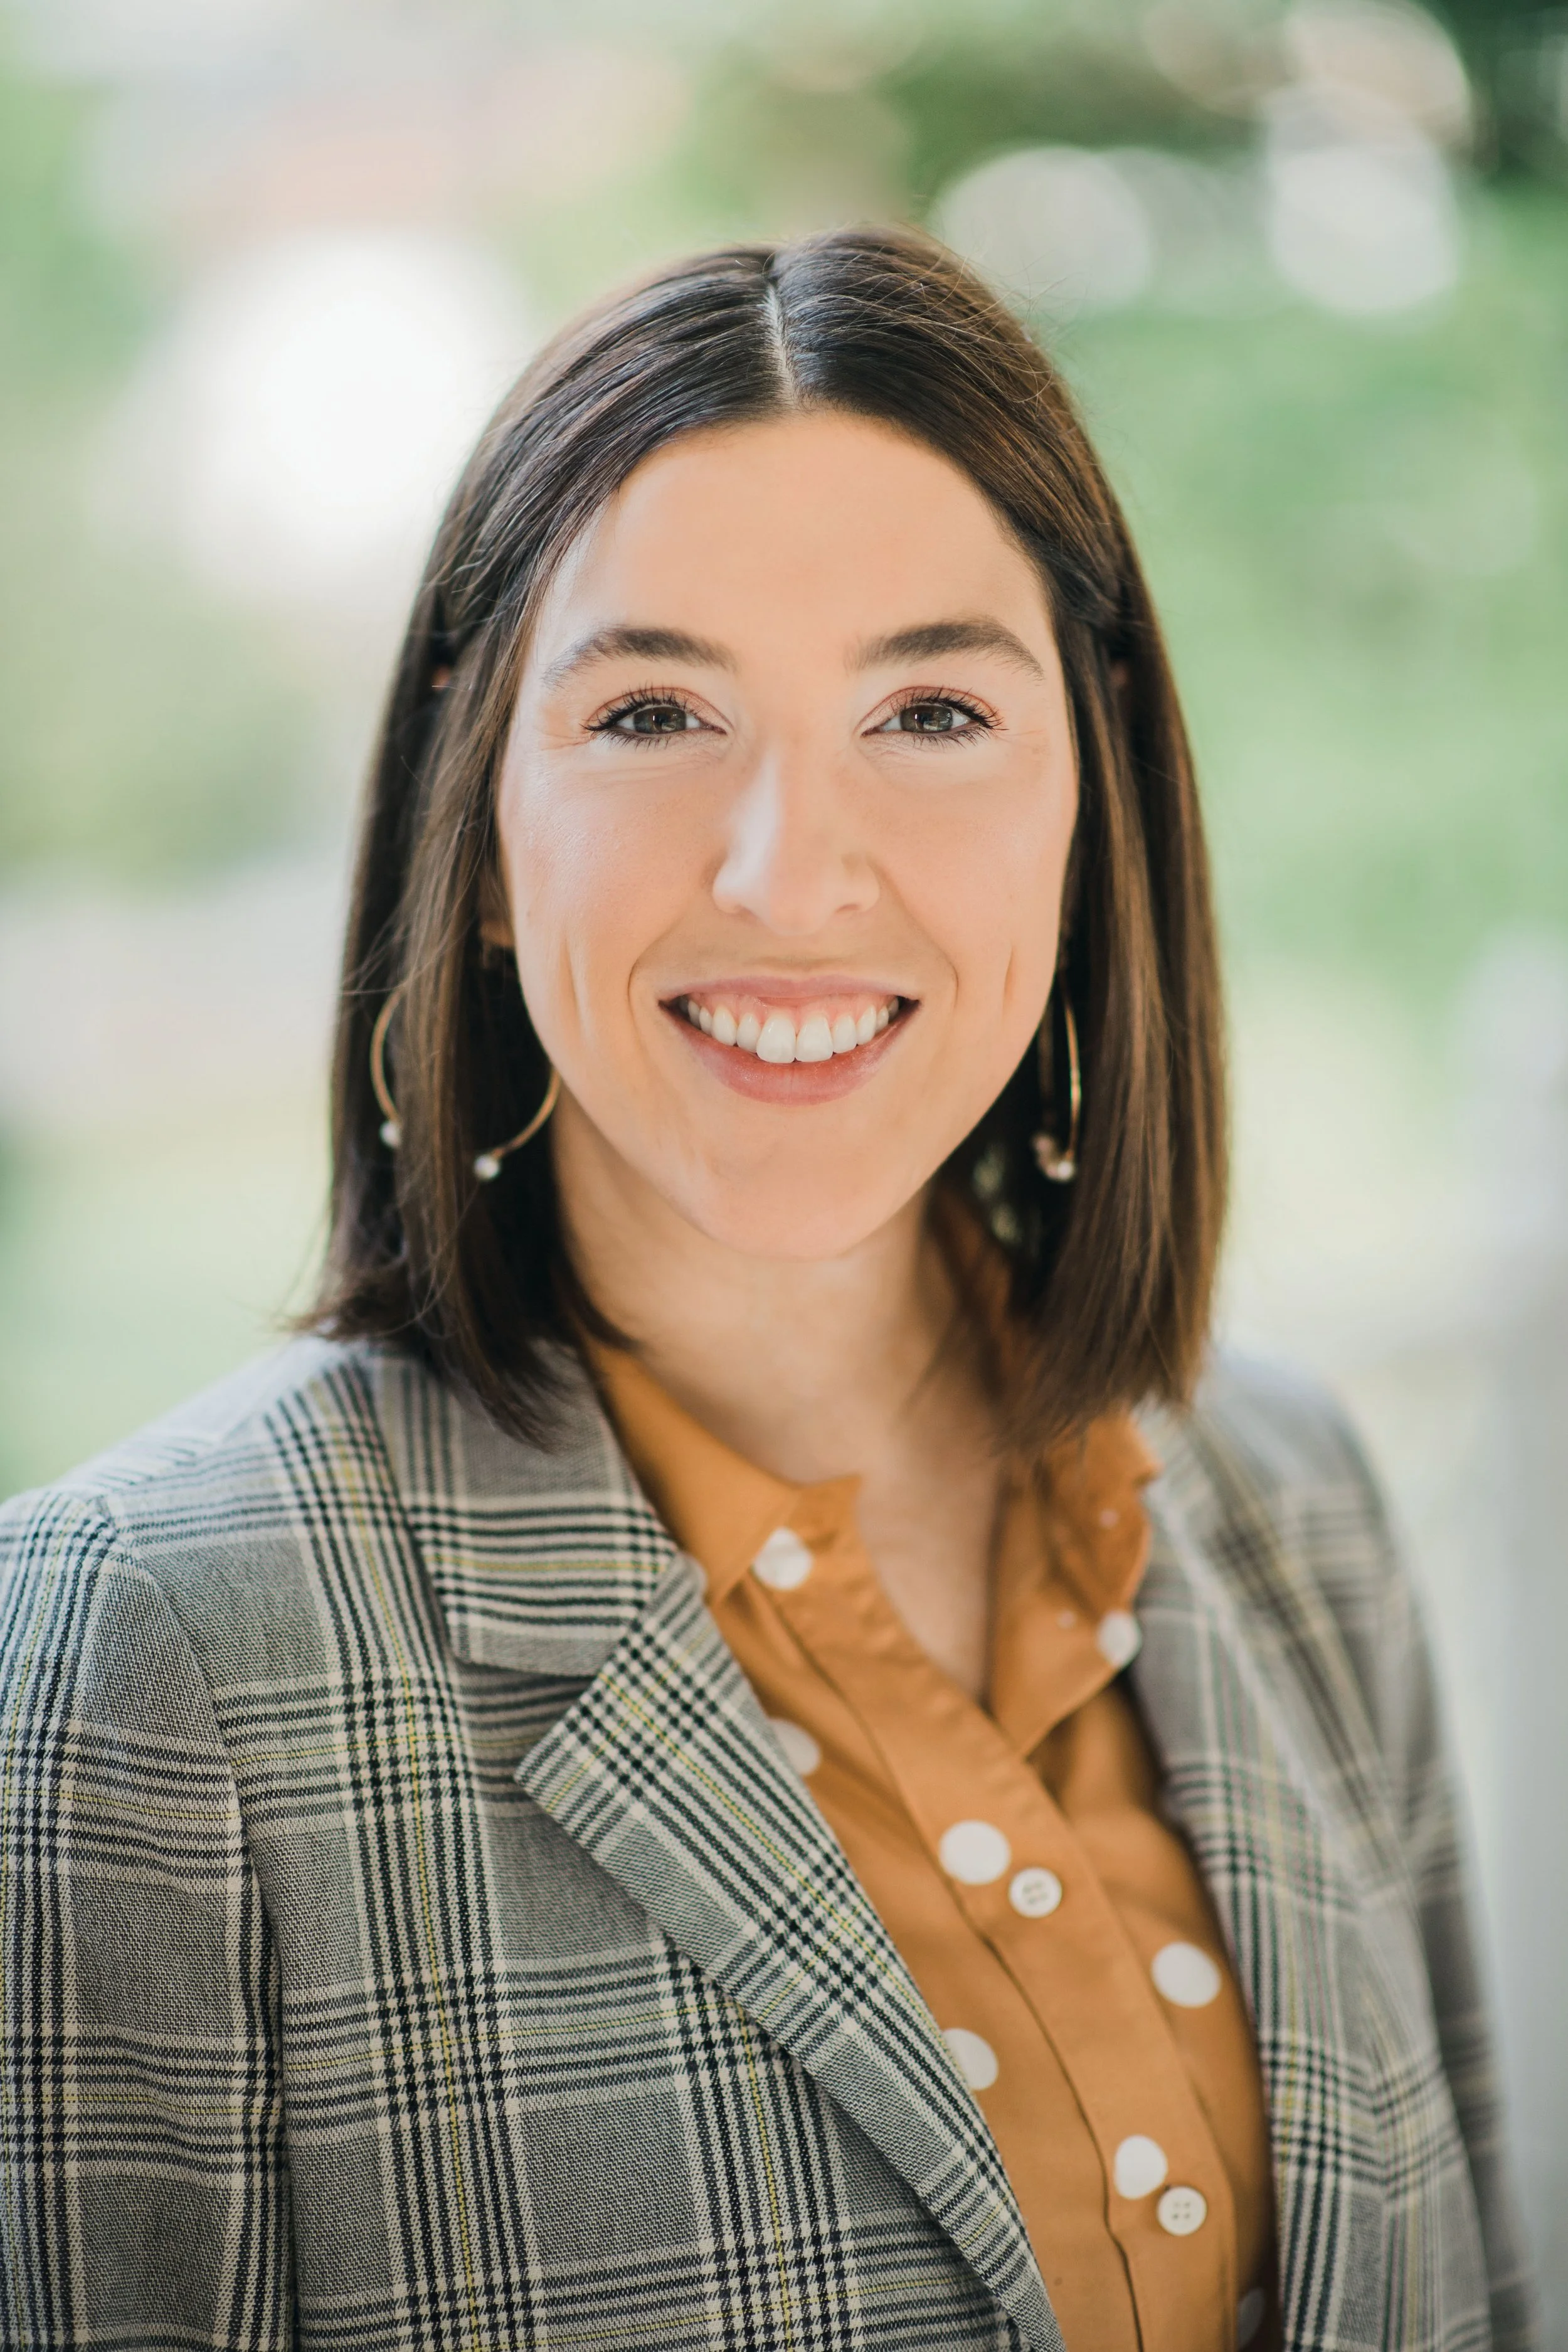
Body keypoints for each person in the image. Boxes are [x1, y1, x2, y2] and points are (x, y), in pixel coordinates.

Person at [0, 230, 1534, 2352]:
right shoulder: (143, 1661)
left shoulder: (1289, 1498)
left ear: (1089, 779)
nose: (790, 871)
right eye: (653, 710)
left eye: (930, 708)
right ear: (483, 796)